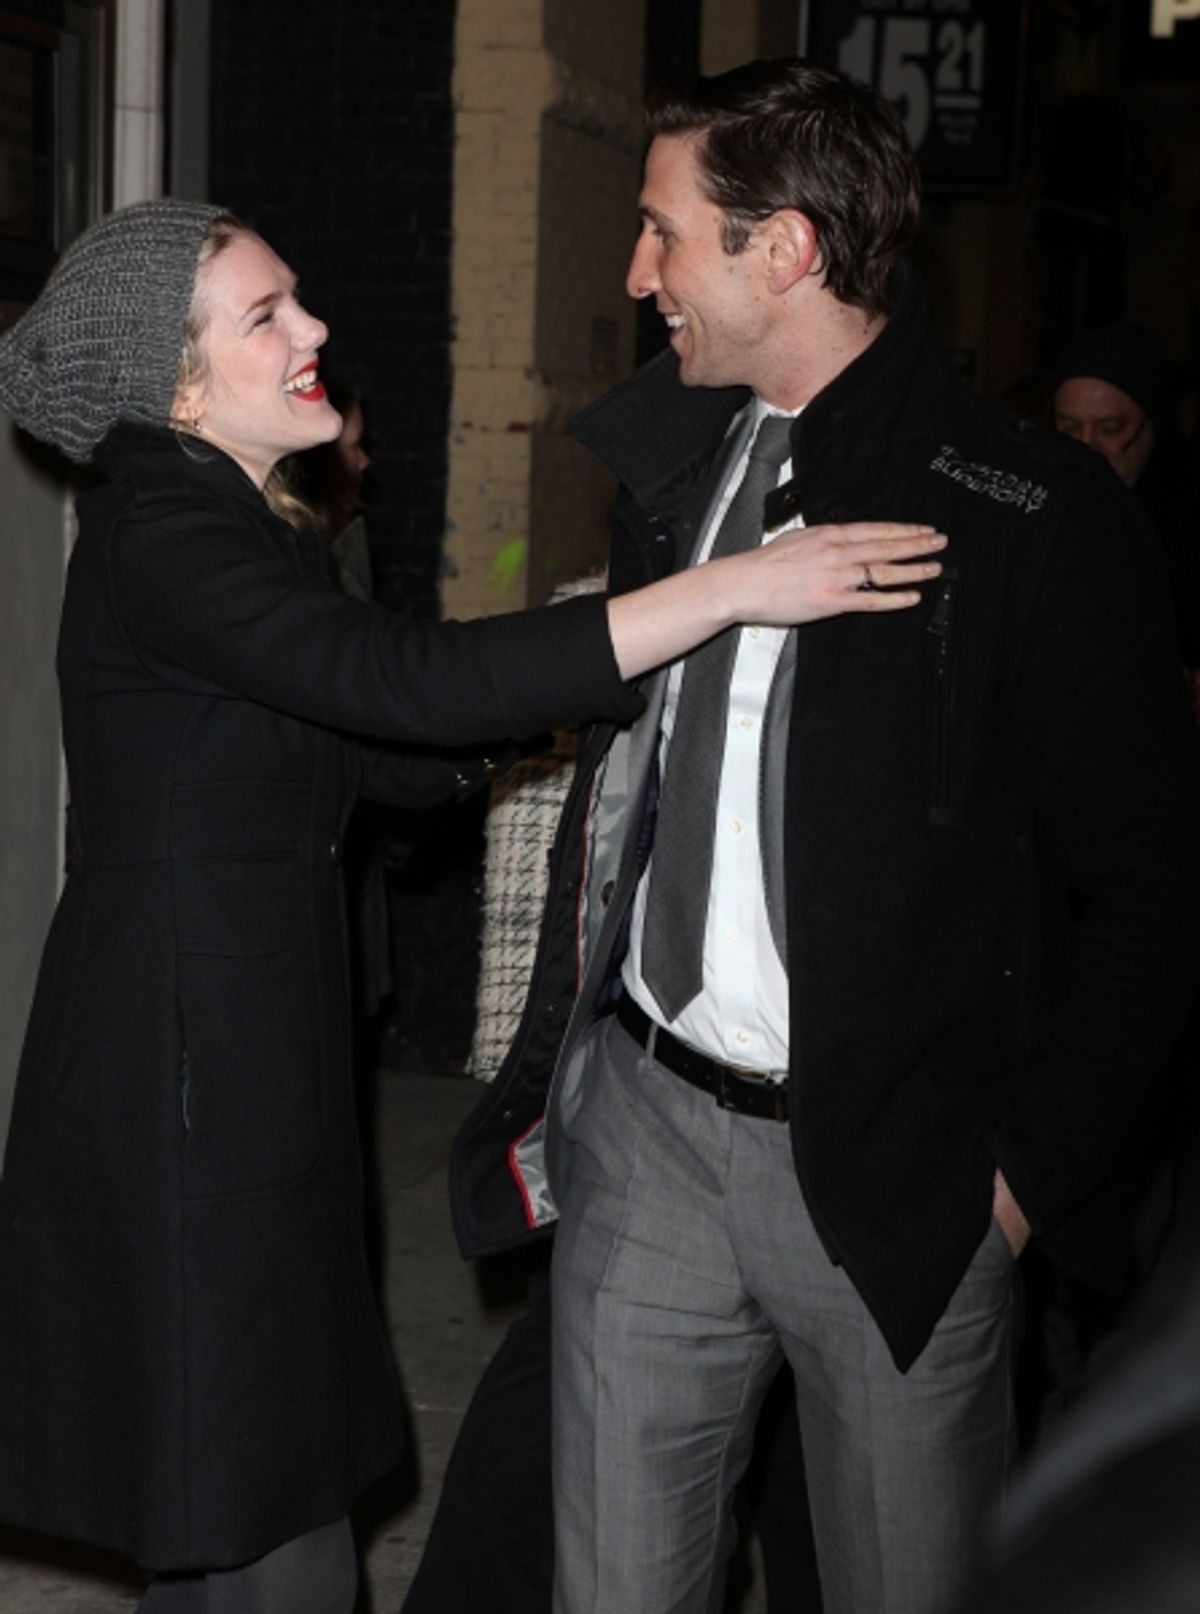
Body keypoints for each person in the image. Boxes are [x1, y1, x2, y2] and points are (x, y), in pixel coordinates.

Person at [0, 199, 941, 1614]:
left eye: (297, 296)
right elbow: (409, 684)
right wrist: (724, 591)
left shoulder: (226, 522)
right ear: (177, 383)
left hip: (233, 1051)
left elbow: (382, 743)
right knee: (261, 1516)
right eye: (266, 317)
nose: (315, 330)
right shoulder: (164, 536)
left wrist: (576, 698)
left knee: (235, 1503)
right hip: (179, 1083)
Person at [443, 58, 1200, 1614]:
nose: (634, 274)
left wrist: (1017, 1183)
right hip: (651, 1134)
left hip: (904, 1172)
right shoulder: (676, 461)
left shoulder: (1032, 518)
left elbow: (1151, 893)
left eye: (664, 235)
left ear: (781, 251)